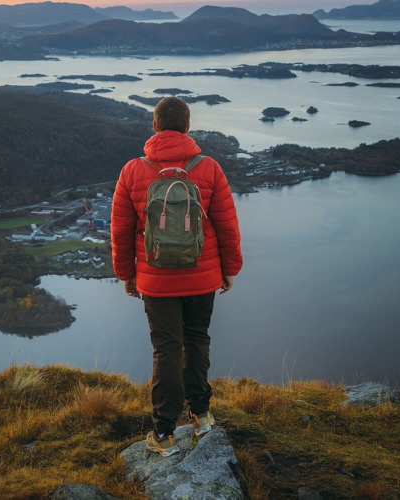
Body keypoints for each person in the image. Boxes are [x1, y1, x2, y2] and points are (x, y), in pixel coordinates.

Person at [110, 96, 243, 457]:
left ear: (154, 126)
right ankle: (201, 415)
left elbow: (121, 231)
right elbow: (227, 225)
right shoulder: (208, 167)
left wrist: (126, 274)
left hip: (155, 278)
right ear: (187, 127)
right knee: (197, 339)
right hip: (202, 277)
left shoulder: (133, 171)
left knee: (166, 350)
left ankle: (165, 432)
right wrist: (229, 268)